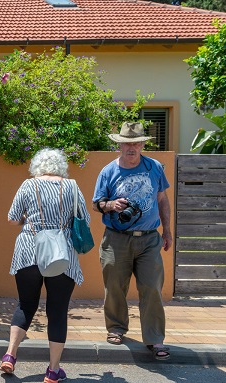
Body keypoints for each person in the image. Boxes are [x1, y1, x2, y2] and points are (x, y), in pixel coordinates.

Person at [0, 148, 89, 383]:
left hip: (29, 251)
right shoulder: (71, 186)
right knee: (57, 311)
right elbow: (85, 219)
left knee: (26, 304)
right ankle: (52, 370)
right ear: (61, 167)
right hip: (62, 253)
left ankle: (10, 355)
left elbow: (12, 218)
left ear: (36, 166)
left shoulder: (28, 185)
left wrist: (29, 219)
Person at [92, 122, 172, 361]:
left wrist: (167, 230)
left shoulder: (155, 168)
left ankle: (155, 338)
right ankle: (116, 329)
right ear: (119, 145)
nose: (131, 147)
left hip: (149, 238)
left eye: (136, 143)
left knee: (151, 287)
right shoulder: (108, 171)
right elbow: (96, 204)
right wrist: (111, 205)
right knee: (115, 285)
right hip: (116, 238)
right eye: (127, 143)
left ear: (142, 144)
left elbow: (163, 200)